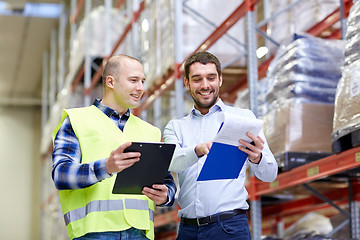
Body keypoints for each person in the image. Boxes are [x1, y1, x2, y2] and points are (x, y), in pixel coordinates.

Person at [52, 54, 176, 240]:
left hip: (140, 233)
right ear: (111, 81)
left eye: (142, 81)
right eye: (133, 80)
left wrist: (167, 195)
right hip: (94, 234)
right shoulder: (77, 121)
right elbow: (61, 175)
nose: (140, 88)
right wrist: (106, 167)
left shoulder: (150, 131)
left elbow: (165, 180)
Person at [163, 51, 278, 240]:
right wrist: (197, 150)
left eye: (211, 78)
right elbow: (172, 162)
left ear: (220, 80)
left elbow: (270, 174)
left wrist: (257, 158)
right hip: (188, 231)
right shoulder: (176, 127)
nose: (205, 85)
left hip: (229, 228)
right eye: (197, 79)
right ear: (187, 83)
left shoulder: (243, 118)